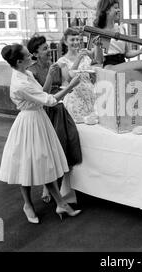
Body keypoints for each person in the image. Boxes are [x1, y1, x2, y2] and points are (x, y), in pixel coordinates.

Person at [0, 44, 82, 223]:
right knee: (27, 164)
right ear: (19, 61)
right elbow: (50, 100)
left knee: (45, 162)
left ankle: (60, 202)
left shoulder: (26, 74)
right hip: (29, 123)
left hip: (39, 120)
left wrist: (50, 76)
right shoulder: (20, 83)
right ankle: (28, 204)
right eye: (29, 56)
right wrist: (70, 87)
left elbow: (42, 93)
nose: (32, 57)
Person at [27, 35, 82, 203]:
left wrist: (70, 87)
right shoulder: (32, 71)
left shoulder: (55, 66)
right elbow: (41, 95)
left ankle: (65, 185)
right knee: (49, 151)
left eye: (48, 47)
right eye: (44, 49)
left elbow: (63, 85)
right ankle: (47, 186)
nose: (49, 51)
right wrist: (50, 76)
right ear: (35, 54)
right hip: (45, 113)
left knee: (68, 142)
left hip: (59, 109)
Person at [57, 28, 96, 122]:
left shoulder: (86, 58)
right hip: (75, 100)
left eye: (77, 39)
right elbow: (68, 79)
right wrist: (78, 59)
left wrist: (94, 76)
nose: (76, 42)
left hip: (90, 98)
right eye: (72, 39)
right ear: (66, 42)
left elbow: (92, 79)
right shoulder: (62, 61)